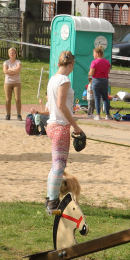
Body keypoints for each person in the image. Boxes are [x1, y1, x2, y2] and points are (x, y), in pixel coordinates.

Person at [45, 51, 84, 214]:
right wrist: (75, 126)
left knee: (56, 166)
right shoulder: (64, 80)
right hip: (61, 125)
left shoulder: (53, 78)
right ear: (71, 64)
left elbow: (51, 104)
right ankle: (53, 202)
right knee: (59, 166)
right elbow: (62, 105)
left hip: (52, 124)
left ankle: (50, 198)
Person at [87, 46, 111, 120]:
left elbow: (91, 73)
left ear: (97, 54)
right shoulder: (107, 62)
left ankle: (98, 115)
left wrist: (89, 72)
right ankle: (107, 115)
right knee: (105, 98)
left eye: (94, 53)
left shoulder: (94, 62)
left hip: (96, 80)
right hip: (104, 80)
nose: (93, 55)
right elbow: (108, 71)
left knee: (97, 98)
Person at [0, 46, 23, 121]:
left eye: (13, 53)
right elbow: (5, 71)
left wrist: (10, 70)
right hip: (8, 82)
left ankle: (19, 114)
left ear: (15, 54)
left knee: (17, 99)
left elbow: (18, 69)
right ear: (8, 54)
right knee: (8, 99)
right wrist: (13, 70)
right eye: (10, 53)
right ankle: (8, 114)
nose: (12, 54)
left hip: (17, 82)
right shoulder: (6, 62)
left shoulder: (18, 62)